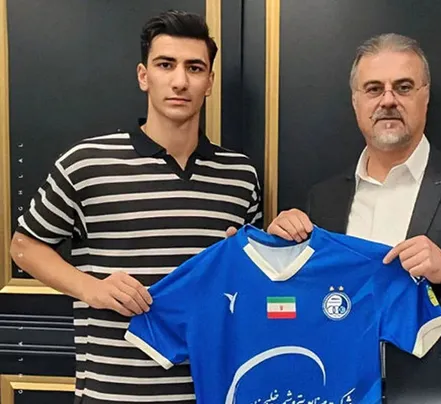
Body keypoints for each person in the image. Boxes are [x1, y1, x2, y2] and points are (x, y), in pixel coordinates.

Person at [265, 33, 441, 404]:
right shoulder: (323, 199)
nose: (388, 100)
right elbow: (297, 305)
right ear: (356, 101)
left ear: (425, 96)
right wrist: (276, 255)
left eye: (404, 87)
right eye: (373, 89)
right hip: (337, 391)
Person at [10, 10, 261, 404]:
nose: (180, 81)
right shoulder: (87, 163)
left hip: (211, 391)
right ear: (144, 76)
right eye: (166, 65)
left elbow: (250, 284)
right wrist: (92, 289)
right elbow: (23, 246)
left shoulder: (240, 176)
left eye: (195, 68)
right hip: (111, 392)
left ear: (210, 82)